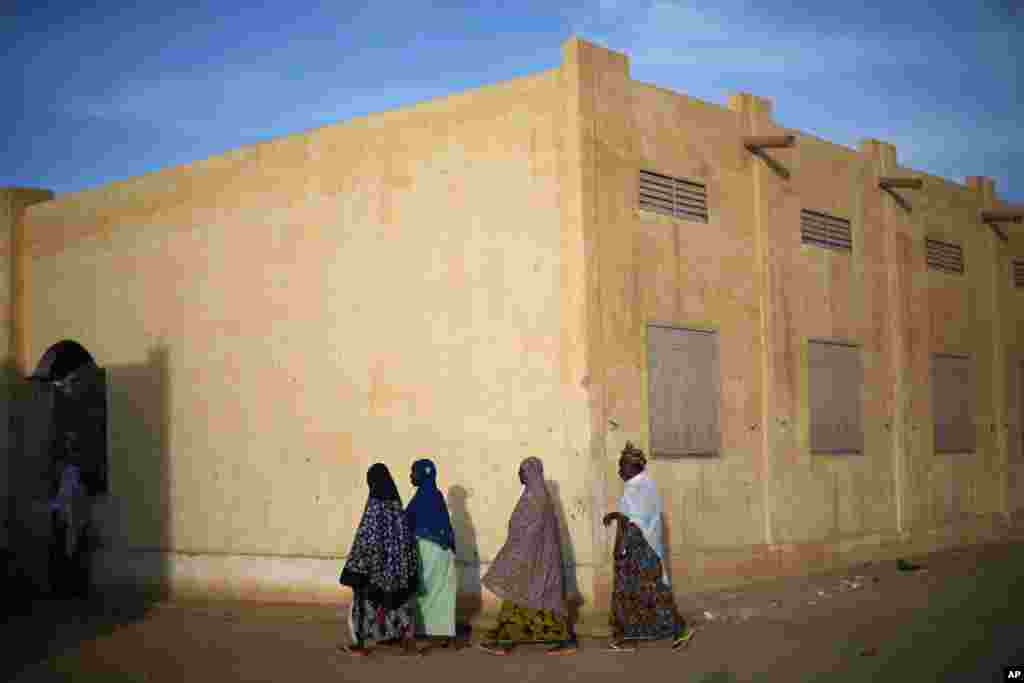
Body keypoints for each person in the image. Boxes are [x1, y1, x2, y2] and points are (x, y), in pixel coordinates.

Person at [478, 457, 577, 656]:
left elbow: (529, 530)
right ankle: (562, 639)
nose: (519, 475)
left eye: (522, 471)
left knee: (519, 596)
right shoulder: (535, 494)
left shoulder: (536, 497)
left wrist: (516, 552)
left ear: (530, 473)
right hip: (533, 558)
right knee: (534, 599)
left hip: (532, 558)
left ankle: (506, 641)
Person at [602, 442, 694, 652]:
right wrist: (615, 516)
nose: (619, 471)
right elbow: (637, 517)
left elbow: (630, 521)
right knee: (646, 592)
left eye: (622, 466)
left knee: (638, 592)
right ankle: (630, 636)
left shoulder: (636, 488)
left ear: (633, 467)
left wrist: (619, 547)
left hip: (638, 548)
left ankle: (670, 630)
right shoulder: (646, 485)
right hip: (646, 547)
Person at [338, 463, 423, 657]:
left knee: (364, 605)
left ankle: (359, 645)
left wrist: (356, 570)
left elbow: (366, 540)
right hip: (397, 571)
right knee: (400, 604)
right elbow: (405, 540)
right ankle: (406, 643)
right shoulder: (397, 506)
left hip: (374, 571)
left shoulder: (374, 508)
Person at [405, 459, 458, 648]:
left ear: (422, 474)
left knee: (423, 590)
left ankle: (422, 631)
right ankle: (443, 633)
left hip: (425, 551)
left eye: (413, 472)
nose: (411, 476)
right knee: (442, 591)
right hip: (443, 552)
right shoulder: (436, 497)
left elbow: (407, 523)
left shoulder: (421, 499)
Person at [48, 433, 90, 598]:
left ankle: (75, 587)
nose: (70, 448)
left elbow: (79, 492)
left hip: (75, 514)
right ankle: (63, 587)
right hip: (63, 514)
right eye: (67, 444)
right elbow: (59, 494)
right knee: (63, 550)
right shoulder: (61, 467)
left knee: (75, 551)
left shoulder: (77, 468)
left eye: (72, 444)